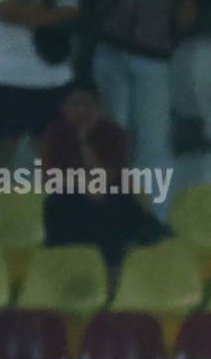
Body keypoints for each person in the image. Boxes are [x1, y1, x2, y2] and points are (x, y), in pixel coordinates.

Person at [91, 0, 198, 201]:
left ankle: (155, 212)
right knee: (112, 141)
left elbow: (190, 8)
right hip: (111, 51)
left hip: (152, 58)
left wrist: (171, 32)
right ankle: (110, 208)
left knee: (153, 144)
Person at [41, 81, 166, 266]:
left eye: (90, 103)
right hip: (72, 197)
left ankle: (115, 267)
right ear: (64, 108)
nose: (84, 110)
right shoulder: (56, 133)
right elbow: (52, 177)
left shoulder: (114, 133)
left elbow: (106, 176)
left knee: (117, 205)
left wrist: (84, 142)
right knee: (58, 206)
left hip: (109, 195)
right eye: (77, 104)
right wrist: (85, 184)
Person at [0, 0, 80, 172]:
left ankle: (56, 193)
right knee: (2, 152)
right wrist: (47, 12)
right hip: (6, 74)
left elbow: (70, 9)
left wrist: (24, 9)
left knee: (54, 154)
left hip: (54, 75)